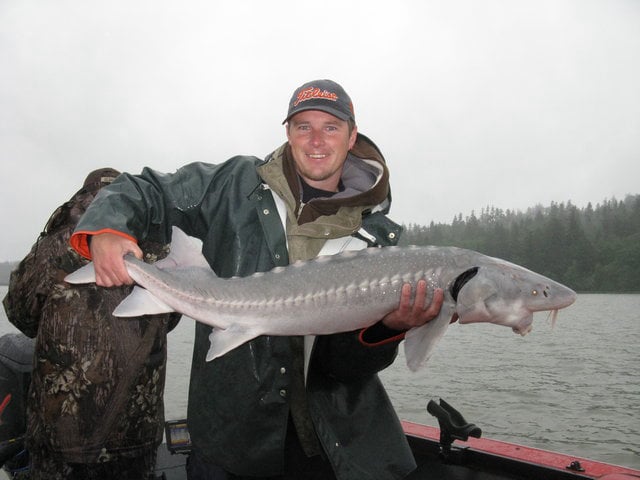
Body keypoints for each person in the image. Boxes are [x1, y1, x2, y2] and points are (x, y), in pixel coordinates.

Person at [69, 80, 445, 480]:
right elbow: (144, 187)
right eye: (304, 127)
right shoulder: (234, 184)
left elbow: (343, 368)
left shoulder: (377, 236)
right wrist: (108, 230)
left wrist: (390, 328)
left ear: (352, 137)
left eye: (331, 128)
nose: (317, 140)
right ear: (288, 133)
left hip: (328, 441)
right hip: (232, 436)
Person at [3, 168, 180, 480]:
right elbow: (173, 317)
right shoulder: (156, 246)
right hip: (137, 433)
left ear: (81, 197)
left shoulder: (55, 244)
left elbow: (20, 314)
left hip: (62, 435)